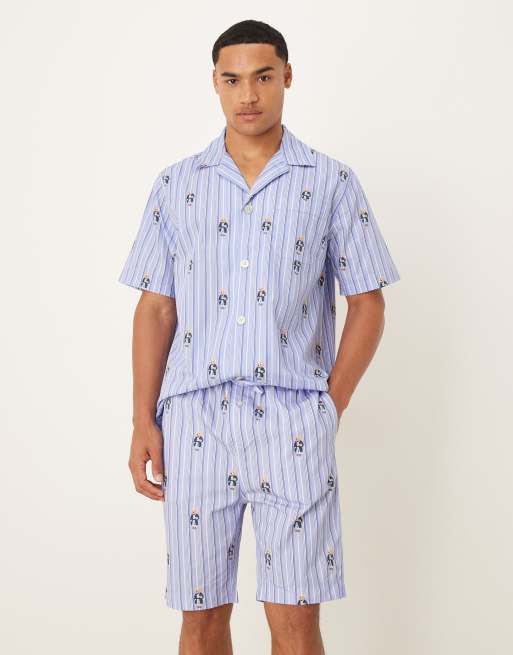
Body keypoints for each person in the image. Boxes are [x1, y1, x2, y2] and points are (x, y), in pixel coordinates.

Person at [118, 18, 401, 655]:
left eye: (263, 77)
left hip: (293, 420)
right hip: (195, 420)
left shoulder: (331, 182)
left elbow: (368, 302)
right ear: (215, 84)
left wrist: (329, 405)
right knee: (200, 618)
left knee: (295, 620)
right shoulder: (176, 185)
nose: (248, 94)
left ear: (287, 78)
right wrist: (142, 419)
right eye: (233, 80)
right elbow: (155, 308)